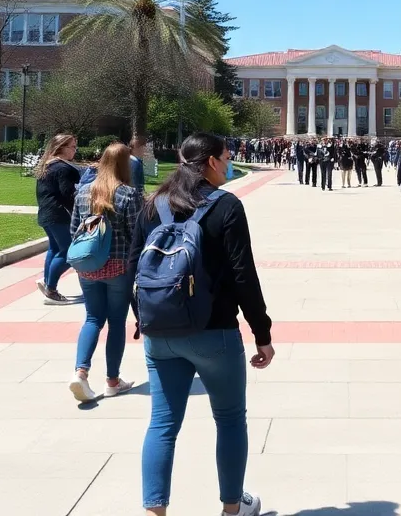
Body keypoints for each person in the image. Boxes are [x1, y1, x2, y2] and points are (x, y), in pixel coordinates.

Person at [136, 133, 273, 516]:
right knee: (230, 420)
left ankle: (154, 511)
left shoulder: (154, 205)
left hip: (160, 332)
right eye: (228, 156)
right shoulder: (226, 206)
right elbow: (243, 274)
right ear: (212, 162)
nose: (230, 162)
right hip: (215, 331)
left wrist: (144, 320)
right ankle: (232, 508)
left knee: (162, 424)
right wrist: (262, 333)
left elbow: (136, 268)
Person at [67, 143, 142, 402]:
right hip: (119, 266)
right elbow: (136, 236)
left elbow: (74, 230)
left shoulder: (83, 192)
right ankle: (112, 380)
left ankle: (81, 372)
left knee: (92, 318)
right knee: (116, 322)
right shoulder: (128, 195)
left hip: (88, 266)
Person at [35, 133, 81, 305]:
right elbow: (69, 194)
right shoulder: (63, 169)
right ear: (61, 148)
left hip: (47, 214)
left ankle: (48, 282)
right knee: (70, 252)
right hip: (59, 215)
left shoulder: (48, 166)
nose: (75, 150)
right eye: (72, 147)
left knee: (55, 249)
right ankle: (51, 289)